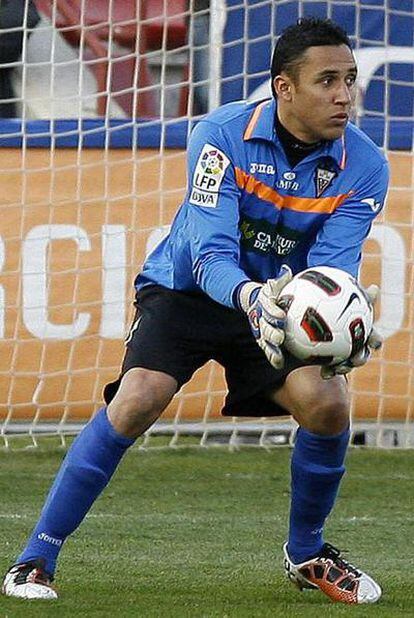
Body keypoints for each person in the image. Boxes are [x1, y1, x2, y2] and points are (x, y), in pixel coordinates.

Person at [2, 17, 388, 604]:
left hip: (279, 303)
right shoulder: (221, 134)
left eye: (350, 79)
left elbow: (333, 269)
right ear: (284, 88)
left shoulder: (365, 165)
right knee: (138, 399)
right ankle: (35, 557)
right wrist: (251, 297)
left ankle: (307, 553)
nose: (344, 95)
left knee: (328, 406)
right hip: (189, 291)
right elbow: (209, 254)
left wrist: (340, 322)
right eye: (327, 80)